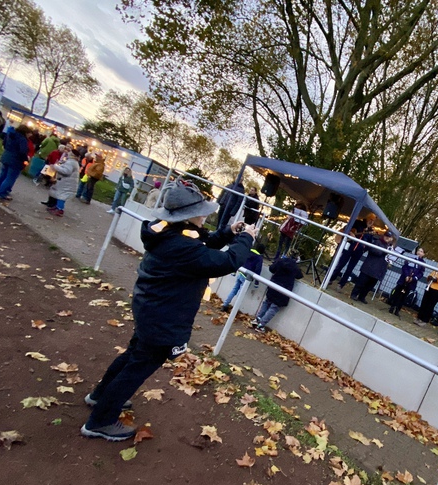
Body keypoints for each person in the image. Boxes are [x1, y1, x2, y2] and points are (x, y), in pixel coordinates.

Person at [81, 181, 257, 441]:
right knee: (138, 368)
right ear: (188, 215)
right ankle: (101, 420)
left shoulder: (169, 233)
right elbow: (226, 261)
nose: (204, 215)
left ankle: (99, 396)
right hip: (163, 316)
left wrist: (229, 233)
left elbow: (204, 244)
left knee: (134, 355)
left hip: (152, 308)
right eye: (201, 211)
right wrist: (246, 238)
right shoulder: (181, 246)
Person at [252, 251, 303, 333]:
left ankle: (257, 319)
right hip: (283, 291)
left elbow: (271, 268)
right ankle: (261, 325)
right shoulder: (295, 267)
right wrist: (296, 264)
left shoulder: (280, 261)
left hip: (273, 285)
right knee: (274, 308)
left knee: (267, 302)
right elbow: (300, 276)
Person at [331, 213, 376, 289]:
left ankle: (341, 284)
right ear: (367, 218)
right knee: (341, 264)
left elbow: (369, 244)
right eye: (370, 219)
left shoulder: (370, 231)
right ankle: (331, 278)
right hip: (349, 247)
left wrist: (363, 249)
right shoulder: (358, 223)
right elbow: (347, 228)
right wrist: (351, 233)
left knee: (350, 269)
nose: (371, 222)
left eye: (373, 220)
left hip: (358, 251)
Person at [350, 230, 395, 303]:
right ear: (383, 236)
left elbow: (390, 258)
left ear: (391, 239)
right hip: (369, 267)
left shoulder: (390, 248)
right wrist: (384, 251)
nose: (387, 238)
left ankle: (362, 297)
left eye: (389, 237)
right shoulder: (377, 242)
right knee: (361, 282)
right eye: (386, 236)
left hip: (378, 271)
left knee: (369, 286)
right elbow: (373, 250)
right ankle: (354, 294)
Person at [0, 124, 33, 202]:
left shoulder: (10, 134)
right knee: (10, 178)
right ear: (25, 132)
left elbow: (4, 143)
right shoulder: (22, 139)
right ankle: (2, 194)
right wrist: (26, 159)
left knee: (2, 175)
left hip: (6, 156)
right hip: (16, 160)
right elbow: (23, 151)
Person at [221, 242, 265, 311]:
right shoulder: (259, 258)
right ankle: (234, 310)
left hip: (241, 273)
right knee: (240, 294)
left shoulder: (248, 252)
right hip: (247, 278)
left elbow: (240, 259)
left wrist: (234, 271)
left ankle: (225, 305)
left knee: (234, 290)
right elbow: (258, 270)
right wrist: (256, 282)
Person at [43, 147, 80, 217]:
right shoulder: (73, 162)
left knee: (62, 196)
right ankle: (57, 207)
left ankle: (59, 209)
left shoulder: (71, 162)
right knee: (61, 195)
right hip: (67, 183)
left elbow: (66, 171)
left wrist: (56, 167)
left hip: (67, 183)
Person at [388, 247, 425, 317]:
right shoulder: (410, 258)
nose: (419, 252)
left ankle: (398, 309)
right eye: (418, 251)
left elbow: (421, 273)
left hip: (411, 282)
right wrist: (407, 275)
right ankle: (392, 306)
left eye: (421, 251)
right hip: (404, 279)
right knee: (397, 292)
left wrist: (414, 278)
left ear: (423, 254)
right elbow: (405, 267)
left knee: (404, 295)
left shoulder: (423, 263)